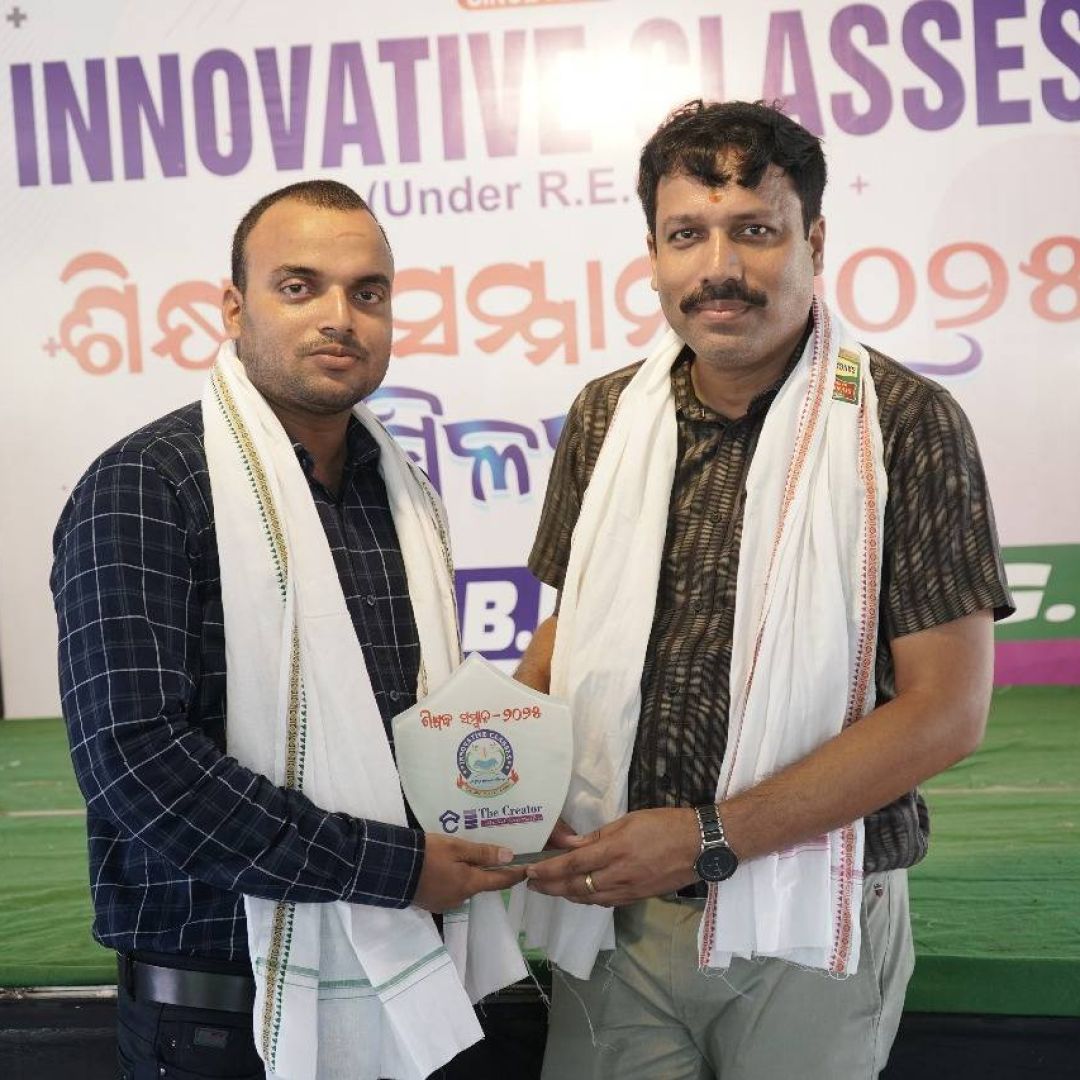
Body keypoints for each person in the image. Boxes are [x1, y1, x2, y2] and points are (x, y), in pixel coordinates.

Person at [514, 100, 1014, 1080]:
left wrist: (707, 840)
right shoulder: (607, 415)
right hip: (617, 920)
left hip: (812, 917)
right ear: (653, 253)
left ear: (812, 242)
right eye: (686, 235)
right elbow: (570, 635)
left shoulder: (905, 423)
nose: (719, 268)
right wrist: (498, 774)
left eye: (754, 230)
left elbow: (947, 713)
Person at [51, 180, 526, 1080]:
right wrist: (393, 870)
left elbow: (416, 731)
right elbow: (135, 760)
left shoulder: (401, 493)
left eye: (368, 292)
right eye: (300, 286)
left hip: (415, 975)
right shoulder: (149, 484)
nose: (340, 317)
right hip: (221, 1012)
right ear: (235, 308)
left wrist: (516, 811)